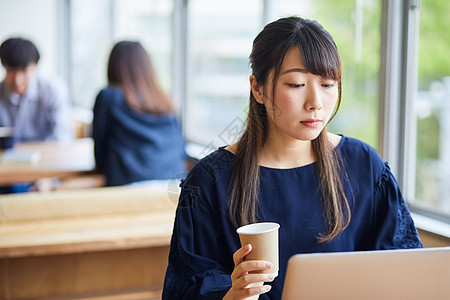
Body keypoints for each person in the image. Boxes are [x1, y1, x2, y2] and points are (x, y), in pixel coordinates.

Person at [162, 16, 422, 300]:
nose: (316, 103)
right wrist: (232, 295)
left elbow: (407, 269)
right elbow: (184, 289)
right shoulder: (211, 181)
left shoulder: (365, 167)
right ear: (257, 88)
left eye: (327, 83)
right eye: (296, 84)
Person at [93, 41, 186, 186]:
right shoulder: (166, 100)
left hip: (128, 185)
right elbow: (181, 151)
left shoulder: (109, 97)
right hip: (172, 187)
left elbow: (100, 152)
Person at [0, 37, 74, 143]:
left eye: (24, 71)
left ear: (36, 67)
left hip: (49, 155)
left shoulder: (53, 90)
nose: (17, 80)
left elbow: (62, 137)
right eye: (11, 71)